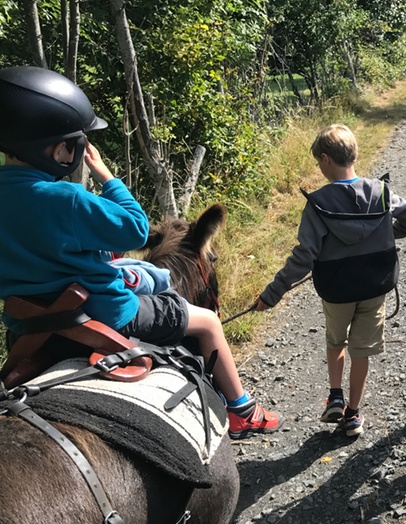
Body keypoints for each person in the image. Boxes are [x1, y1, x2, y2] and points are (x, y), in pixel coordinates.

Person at [0, 65, 283, 440]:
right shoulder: (66, 199)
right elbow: (134, 229)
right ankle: (243, 410)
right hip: (106, 315)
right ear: (59, 150)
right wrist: (106, 176)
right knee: (209, 323)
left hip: (26, 329)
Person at [255, 124, 406, 437]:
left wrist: (272, 294)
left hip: (336, 288)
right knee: (362, 349)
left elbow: (304, 257)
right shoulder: (380, 191)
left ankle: (335, 395)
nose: (319, 167)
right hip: (375, 284)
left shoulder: (318, 203)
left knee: (336, 341)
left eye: (319, 161)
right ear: (354, 155)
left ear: (327, 158)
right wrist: (386, 234)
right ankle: (354, 414)